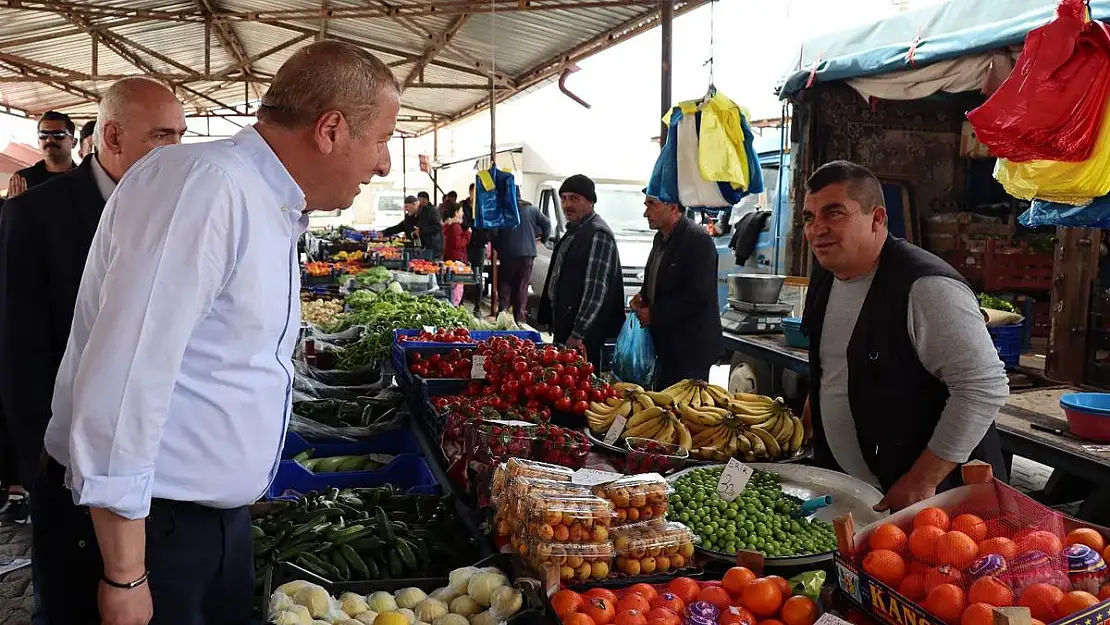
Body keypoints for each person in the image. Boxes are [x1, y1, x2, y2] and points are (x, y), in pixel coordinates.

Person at [35, 40, 399, 624]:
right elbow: (125, 378)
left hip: (203, 524)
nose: (383, 163)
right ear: (330, 129)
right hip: (148, 529)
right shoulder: (207, 187)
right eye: (381, 139)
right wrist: (125, 573)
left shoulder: (266, 202)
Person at [0, 78, 186, 531]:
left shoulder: (181, 206)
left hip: (159, 445)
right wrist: (36, 454)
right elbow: (15, 341)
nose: (176, 150)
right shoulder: (33, 214)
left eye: (181, 136)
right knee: (72, 591)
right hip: (69, 452)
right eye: (162, 136)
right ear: (113, 136)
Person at [799, 161, 1009, 512]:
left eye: (834, 213)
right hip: (858, 492)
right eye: (809, 217)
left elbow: (982, 386)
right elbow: (828, 364)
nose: (817, 229)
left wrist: (920, 482)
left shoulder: (926, 287)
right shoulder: (827, 274)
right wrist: (808, 425)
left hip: (937, 505)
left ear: (878, 218)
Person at [631, 195, 723, 389]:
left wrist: (654, 314)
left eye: (651, 205)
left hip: (688, 351)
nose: (645, 213)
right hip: (665, 346)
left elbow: (698, 298)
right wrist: (643, 297)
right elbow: (659, 280)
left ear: (673, 207)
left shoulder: (698, 241)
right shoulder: (661, 239)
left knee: (682, 413)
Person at [538, 174, 625, 367]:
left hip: (585, 336)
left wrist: (578, 332)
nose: (567, 204)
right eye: (564, 198)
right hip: (567, 328)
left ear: (590, 201)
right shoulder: (574, 231)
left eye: (574, 199)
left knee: (583, 388)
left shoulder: (597, 234)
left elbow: (595, 291)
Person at [492, 191, 550, 324]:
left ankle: (502, 317)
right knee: (521, 286)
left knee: (505, 284)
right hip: (527, 254)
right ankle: (519, 320)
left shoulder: (502, 211)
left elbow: (493, 232)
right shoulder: (532, 209)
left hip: (508, 254)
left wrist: (499, 247)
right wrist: (541, 240)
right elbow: (547, 224)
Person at [7, 111, 77, 199]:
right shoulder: (23, 180)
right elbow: (8, 212)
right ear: (38, 141)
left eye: (58, 134)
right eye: (43, 135)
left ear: (73, 142)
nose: (49, 140)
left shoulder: (85, 178)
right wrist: (13, 206)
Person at [382, 193, 444, 258]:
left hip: (431, 249)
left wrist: (421, 231)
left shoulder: (430, 211)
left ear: (414, 205)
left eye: (407, 207)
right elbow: (400, 227)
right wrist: (384, 232)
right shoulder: (410, 215)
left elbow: (438, 226)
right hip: (418, 248)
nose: (405, 209)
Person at [460, 182, 490, 315]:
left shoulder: (483, 207)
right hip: (466, 245)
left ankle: (477, 307)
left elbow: (485, 226)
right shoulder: (463, 206)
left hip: (479, 246)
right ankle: (460, 303)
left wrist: (473, 228)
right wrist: (472, 227)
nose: (475, 195)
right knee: (462, 275)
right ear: (470, 193)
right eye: (473, 192)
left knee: (478, 277)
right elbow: (464, 224)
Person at [442, 203, 471, 306]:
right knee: (456, 288)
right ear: (456, 213)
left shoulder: (448, 225)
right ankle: (455, 305)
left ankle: (454, 304)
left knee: (452, 287)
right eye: (461, 211)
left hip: (450, 259)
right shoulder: (455, 227)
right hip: (456, 261)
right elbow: (458, 244)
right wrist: (468, 234)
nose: (462, 213)